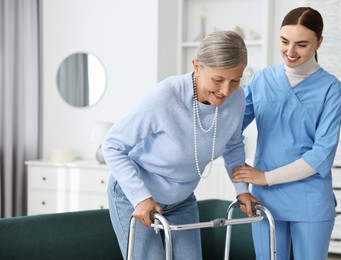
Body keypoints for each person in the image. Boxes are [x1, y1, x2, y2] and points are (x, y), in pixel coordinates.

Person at [102, 30, 258, 259]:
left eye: (235, 80)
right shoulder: (166, 96)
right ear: (197, 66)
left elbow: (233, 145)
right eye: (218, 79)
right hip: (136, 196)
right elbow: (112, 145)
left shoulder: (236, 98)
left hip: (182, 199)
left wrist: (242, 191)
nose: (226, 90)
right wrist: (141, 197)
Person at [232, 7, 341, 260]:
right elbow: (230, 131)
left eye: (301, 44)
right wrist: (242, 186)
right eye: (284, 42)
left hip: (309, 199)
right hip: (265, 200)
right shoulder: (261, 80)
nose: (290, 52)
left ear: (319, 42)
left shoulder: (331, 89)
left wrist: (265, 177)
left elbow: (322, 155)